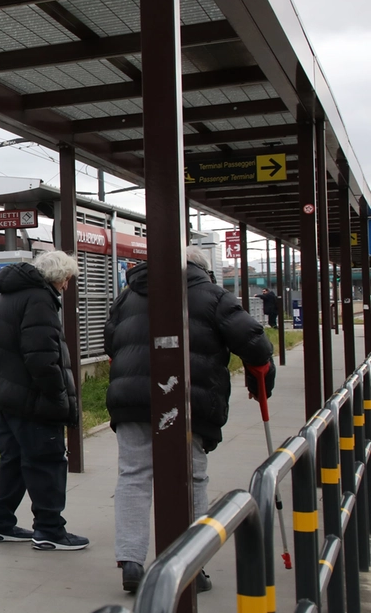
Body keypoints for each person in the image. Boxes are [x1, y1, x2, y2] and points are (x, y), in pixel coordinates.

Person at [105, 246, 275, 593]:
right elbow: (254, 342)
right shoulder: (213, 295)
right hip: (187, 400)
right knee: (192, 476)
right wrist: (262, 379)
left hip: (132, 399)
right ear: (203, 269)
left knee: (133, 474)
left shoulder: (127, 296)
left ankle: (132, 562)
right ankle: (192, 563)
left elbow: (111, 341)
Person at [0, 250, 88, 551]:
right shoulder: (39, 300)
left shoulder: (7, 297)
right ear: (59, 278)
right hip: (33, 401)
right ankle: (50, 530)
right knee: (47, 463)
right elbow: (42, 358)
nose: (67, 286)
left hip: (7, 398)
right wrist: (57, 397)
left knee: (13, 462)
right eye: (67, 279)